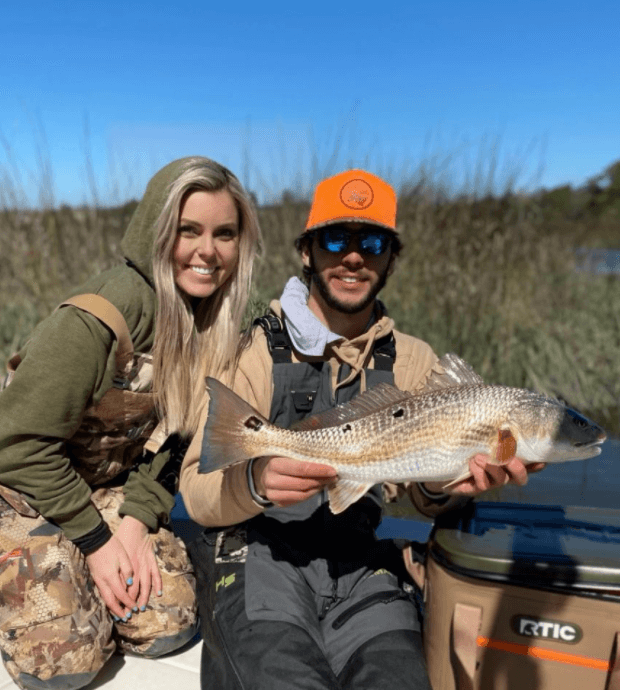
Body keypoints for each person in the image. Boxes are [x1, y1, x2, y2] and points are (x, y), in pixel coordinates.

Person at [179, 169, 545, 689]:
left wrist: (445, 487)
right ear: (307, 252)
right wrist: (255, 483)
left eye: (372, 242)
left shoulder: (416, 362)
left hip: (361, 560)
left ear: (390, 259)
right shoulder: (253, 349)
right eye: (335, 239)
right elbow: (195, 494)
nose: (354, 257)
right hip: (264, 553)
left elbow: (424, 495)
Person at [0, 156, 262, 690]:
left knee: (168, 622)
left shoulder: (215, 322)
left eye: (225, 234)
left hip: (98, 482)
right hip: (12, 480)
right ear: (158, 232)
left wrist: (134, 523)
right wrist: (97, 543)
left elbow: (172, 443)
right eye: (189, 231)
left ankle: (59, 560)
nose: (209, 250)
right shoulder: (101, 316)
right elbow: (18, 447)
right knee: (64, 661)